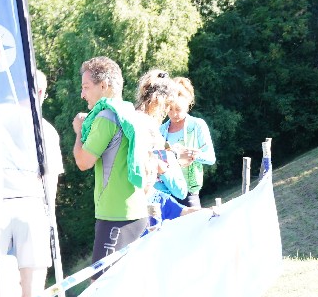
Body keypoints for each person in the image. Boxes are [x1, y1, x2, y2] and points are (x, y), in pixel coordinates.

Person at [0, 69, 63, 297]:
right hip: (31, 205)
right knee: (33, 293)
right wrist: (50, 217)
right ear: (40, 92)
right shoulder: (45, 128)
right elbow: (50, 179)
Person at [73, 56, 150, 264]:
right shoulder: (129, 113)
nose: (82, 94)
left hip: (116, 215)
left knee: (100, 280)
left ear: (104, 85)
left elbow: (83, 162)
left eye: (86, 87)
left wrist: (79, 132)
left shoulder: (106, 117)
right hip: (135, 209)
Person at [134, 70, 189, 222]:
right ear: (159, 101)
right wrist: (163, 165)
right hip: (146, 207)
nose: (167, 113)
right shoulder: (147, 126)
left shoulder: (132, 120)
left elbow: (181, 191)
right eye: (168, 107)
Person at [161, 77, 216, 208]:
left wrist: (195, 155)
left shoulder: (197, 125)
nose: (174, 114)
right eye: (170, 109)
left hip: (190, 193)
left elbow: (211, 158)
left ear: (188, 104)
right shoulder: (161, 130)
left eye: (178, 109)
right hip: (165, 192)